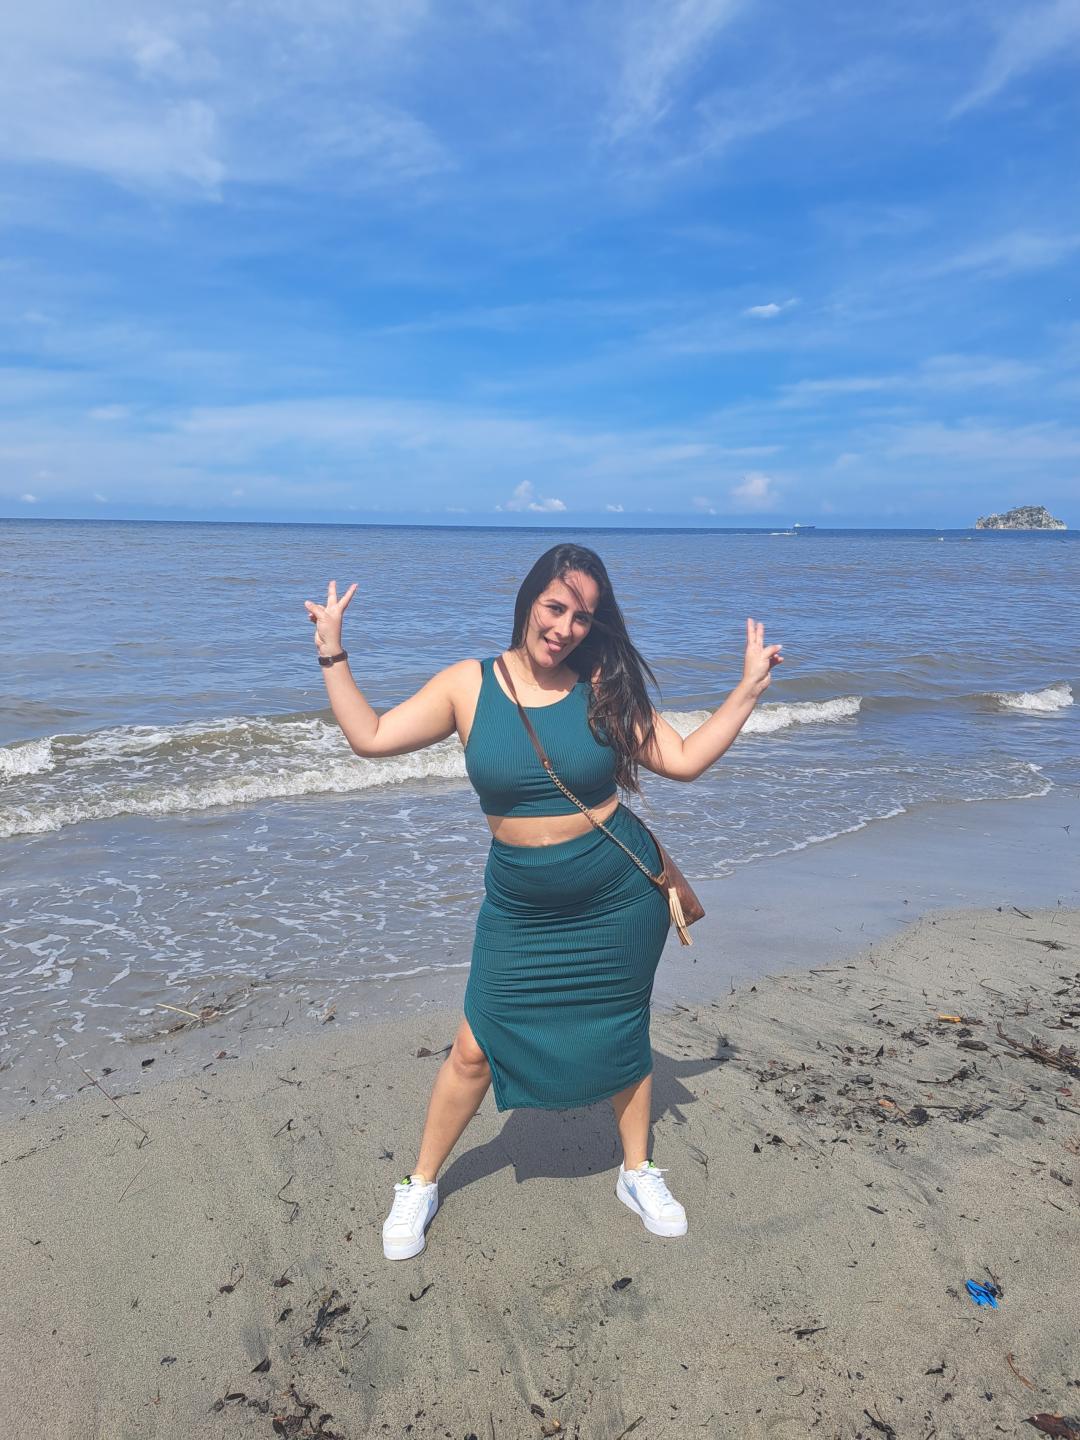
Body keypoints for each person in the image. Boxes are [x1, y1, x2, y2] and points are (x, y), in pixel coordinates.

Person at [304, 542, 782, 1260]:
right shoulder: (468, 685)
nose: (564, 628)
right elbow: (369, 738)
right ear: (529, 600)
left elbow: (682, 760)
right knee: (474, 1047)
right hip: (521, 907)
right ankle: (420, 1182)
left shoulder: (602, 689)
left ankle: (637, 1172)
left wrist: (746, 688)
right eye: (555, 608)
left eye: (582, 617)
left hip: (618, 894)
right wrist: (332, 652)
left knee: (621, 1029)